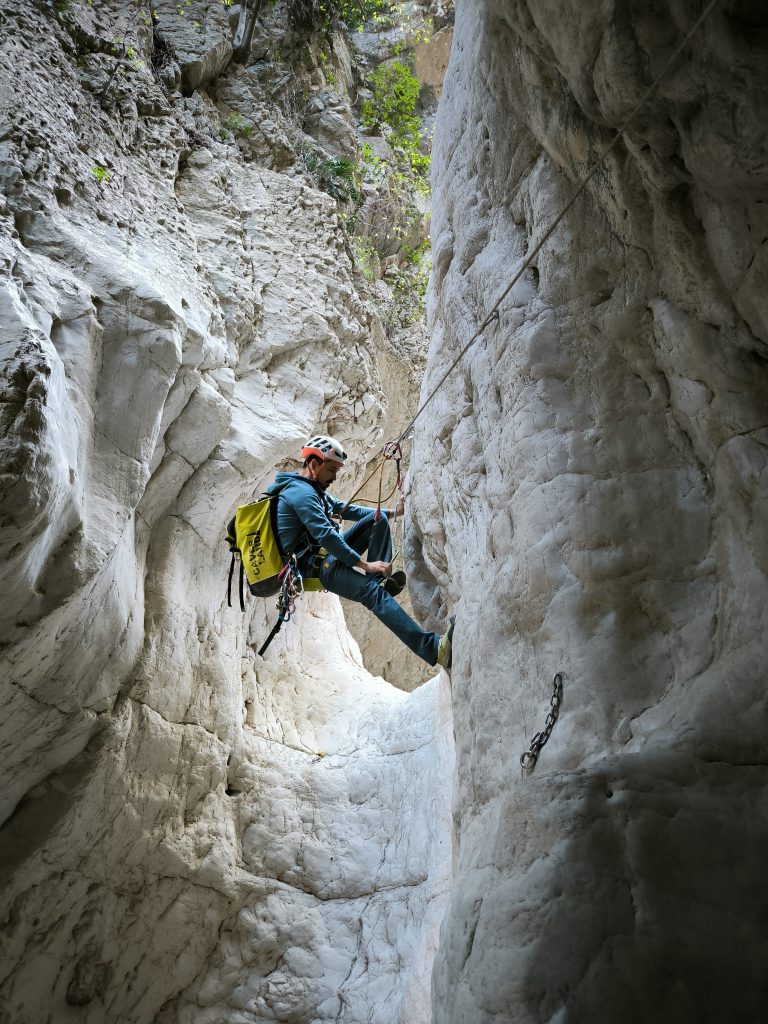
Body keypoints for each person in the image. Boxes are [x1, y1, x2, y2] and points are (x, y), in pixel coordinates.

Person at [267, 434, 454, 668]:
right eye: (332, 469)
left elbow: (348, 510)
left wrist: (395, 512)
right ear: (314, 465)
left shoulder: (311, 490)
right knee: (373, 595)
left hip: (326, 558)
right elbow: (327, 535)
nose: (335, 477)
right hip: (317, 567)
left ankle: (378, 582)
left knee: (376, 520)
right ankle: (433, 650)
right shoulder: (301, 494)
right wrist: (366, 565)